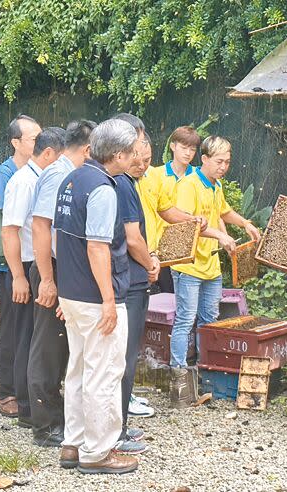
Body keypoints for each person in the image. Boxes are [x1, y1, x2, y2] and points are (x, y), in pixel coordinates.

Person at [54, 119, 138, 474]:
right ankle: (99, 451)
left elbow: (60, 239)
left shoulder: (71, 179)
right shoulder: (105, 188)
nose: (135, 157)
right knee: (103, 372)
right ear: (118, 155)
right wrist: (108, 300)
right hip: (95, 296)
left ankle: (72, 444)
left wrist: (63, 290)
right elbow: (98, 247)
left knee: (77, 370)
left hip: (71, 293)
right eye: (132, 151)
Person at [170, 136, 261, 407]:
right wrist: (220, 237)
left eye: (227, 162)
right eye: (219, 161)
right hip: (188, 264)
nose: (224, 167)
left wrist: (244, 223)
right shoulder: (188, 185)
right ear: (205, 159)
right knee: (185, 319)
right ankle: (179, 381)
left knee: (209, 320)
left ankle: (206, 373)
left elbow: (224, 211)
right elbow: (189, 224)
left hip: (210, 265)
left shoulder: (215, 185)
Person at [28, 120, 95, 447]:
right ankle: (46, 426)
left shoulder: (67, 173)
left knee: (60, 347)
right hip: (49, 269)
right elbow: (41, 228)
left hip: (59, 269)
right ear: (88, 148)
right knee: (48, 350)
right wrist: (48, 279)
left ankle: (58, 420)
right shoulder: (58, 175)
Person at [1, 127, 66, 428]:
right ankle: (27, 407)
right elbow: (10, 230)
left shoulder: (41, 179)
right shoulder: (24, 182)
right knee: (28, 339)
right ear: (50, 154)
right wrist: (18, 276)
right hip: (28, 266)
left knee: (34, 337)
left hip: (37, 264)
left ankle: (33, 403)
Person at [112, 133, 159, 455]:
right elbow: (132, 237)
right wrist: (150, 262)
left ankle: (118, 425)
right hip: (131, 282)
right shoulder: (123, 185)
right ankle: (116, 431)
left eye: (147, 159)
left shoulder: (118, 182)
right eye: (137, 158)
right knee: (123, 360)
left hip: (126, 280)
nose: (142, 165)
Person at [0, 114, 41, 418]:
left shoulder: (38, 172)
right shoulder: (5, 174)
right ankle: (5, 392)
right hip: (10, 268)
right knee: (10, 331)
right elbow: (11, 223)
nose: (38, 141)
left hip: (30, 264)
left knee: (28, 331)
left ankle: (25, 389)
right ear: (16, 143)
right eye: (33, 138)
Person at [145, 126, 201, 292]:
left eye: (192, 149)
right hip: (160, 249)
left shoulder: (199, 176)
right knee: (165, 296)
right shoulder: (155, 174)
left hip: (191, 248)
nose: (188, 153)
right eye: (184, 148)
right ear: (172, 146)